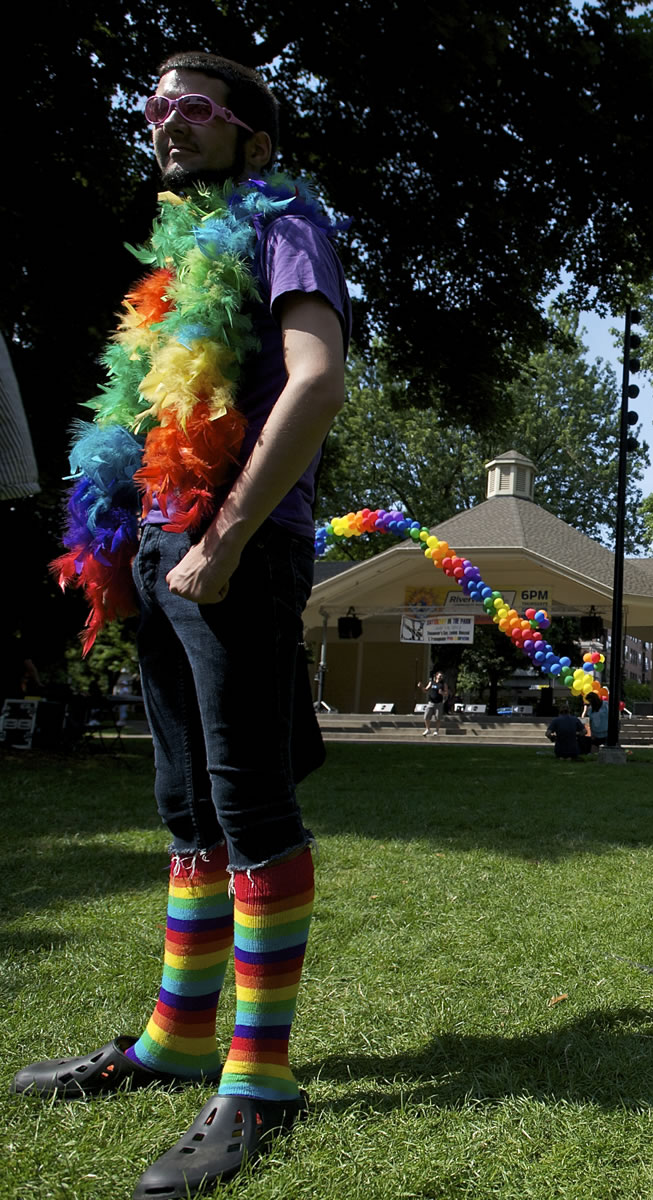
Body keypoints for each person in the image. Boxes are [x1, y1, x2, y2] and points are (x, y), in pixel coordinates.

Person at [13, 51, 350, 1200]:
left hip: (232, 544)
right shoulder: (170, 259)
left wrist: (230, 534)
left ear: (253, 136)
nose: (167, 121)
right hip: (162, 544)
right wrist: (126, 551)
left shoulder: (286, 218)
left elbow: (313, 378)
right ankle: (173, 1039)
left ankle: (255, 1081)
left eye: (194, 106)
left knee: (249, 800)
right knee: (186, 806)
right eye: (154, 106)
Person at [420, 670, 448, 735]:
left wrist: (442, 693)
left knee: (438, 718)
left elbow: (446, 693)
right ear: (436, 676)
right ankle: (427, 729)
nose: (441, 677)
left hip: (439, 703)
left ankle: (436, 731)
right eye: (440, 676)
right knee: (426, 716)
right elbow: (425, 690)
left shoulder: (443, 684)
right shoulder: (431, 682)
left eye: (442, 676)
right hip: (431, 702)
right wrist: (421, 687)